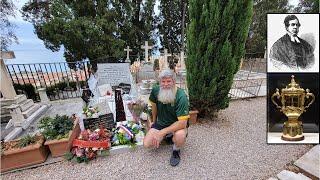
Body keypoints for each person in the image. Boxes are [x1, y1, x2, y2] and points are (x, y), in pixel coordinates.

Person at [143, 69, 189, 166]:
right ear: (160, 82)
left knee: (180, 136)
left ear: (174, 81)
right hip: (161, 123)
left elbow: (182, 123)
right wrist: (153, 122)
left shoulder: (181, 96)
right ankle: (168, 136)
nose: (166, 84)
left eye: (169, 81)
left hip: (177, 124)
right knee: (147, 144)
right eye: (163, 81)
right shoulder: (156, 90)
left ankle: (176, 150)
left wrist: (162, 132)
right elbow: (154, 106)